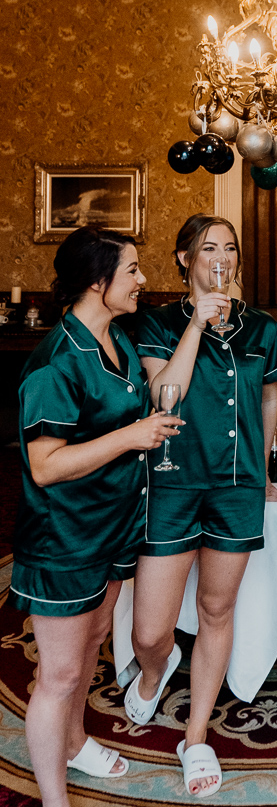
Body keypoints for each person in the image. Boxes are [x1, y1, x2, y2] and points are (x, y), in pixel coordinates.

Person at [10, 227, 180, 807]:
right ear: (95, 280)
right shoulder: (54, 362)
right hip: (64, 538)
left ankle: (77, 740)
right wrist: (132, 436)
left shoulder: (118, 339)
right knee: (57, 675)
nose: (143, 280)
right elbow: (45, 466)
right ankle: (55, 801)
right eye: (132, 270)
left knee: (95, 643)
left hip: (112, 526)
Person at [125, 214, 277, 798]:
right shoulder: (155, 322)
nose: (221, 257)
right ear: (184, 259)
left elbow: (269, 397)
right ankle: (151, 671)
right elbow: (160, 389)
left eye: (230, 248)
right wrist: (197, 322)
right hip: (172, 480)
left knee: (218, 611)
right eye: (208, 248)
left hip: (237, 486)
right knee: (151, 630)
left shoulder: (263, 328)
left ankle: (195, 736)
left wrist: (264, 464)